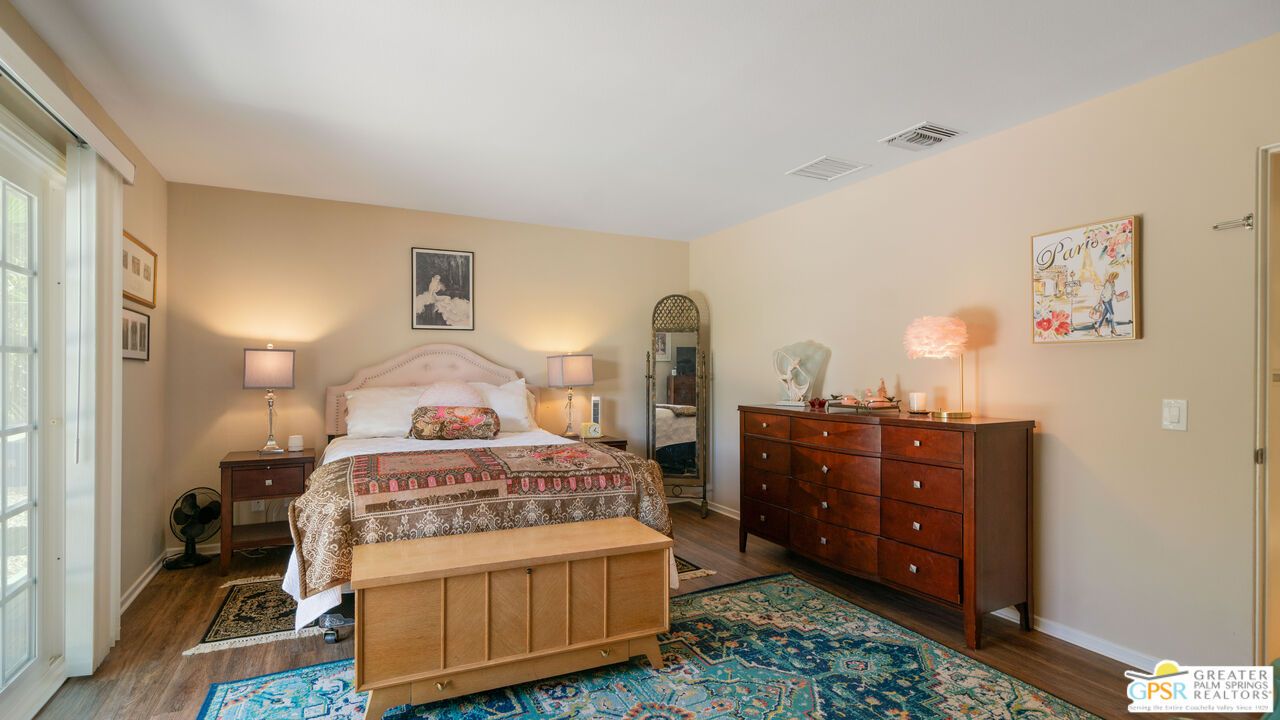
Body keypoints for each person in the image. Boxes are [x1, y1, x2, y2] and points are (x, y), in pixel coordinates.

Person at [1093, 271, 1120, 337]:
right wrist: (1100, 300)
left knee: (1104, 315)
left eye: (1116, 278)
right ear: (1112, 276)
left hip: (1109, 300)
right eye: (1114, 277)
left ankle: (1098, 328)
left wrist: (1114, 293)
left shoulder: (1113, 283)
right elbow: (1103, 292)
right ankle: (1113, 329)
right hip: (1105, 300)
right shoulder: (1107, 283)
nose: (1115, 279)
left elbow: (1112, 290)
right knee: (1112, 314)